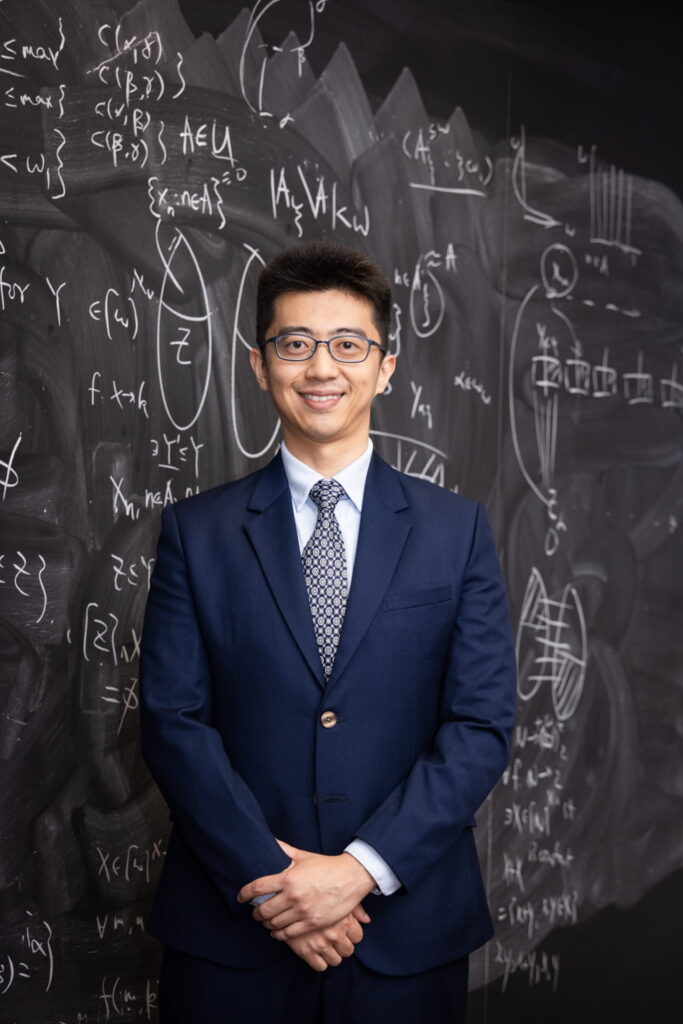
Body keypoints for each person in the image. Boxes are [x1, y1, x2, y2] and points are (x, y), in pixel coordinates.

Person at [139, 239, 517, 1023]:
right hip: (232, 934)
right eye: (295, 344)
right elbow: (173, 723)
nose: (321, 369)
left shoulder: (456, 532)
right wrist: (274, 883)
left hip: (404, 933)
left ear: (384, 367)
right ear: (258, 363)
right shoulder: (194, 534)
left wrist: (357, 872)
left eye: (348, 346)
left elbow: (480, 725)